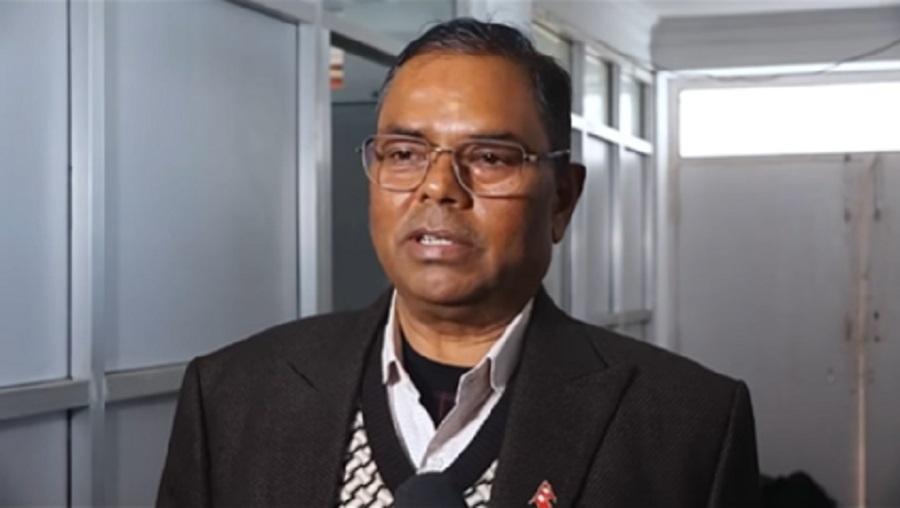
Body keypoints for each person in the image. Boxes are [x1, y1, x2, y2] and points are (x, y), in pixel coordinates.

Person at [157, 18, 760, 507]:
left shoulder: (688, 425)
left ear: (562, 198)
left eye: (490, 157)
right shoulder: (233, 396)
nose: (439, 188)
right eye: (404, 153)